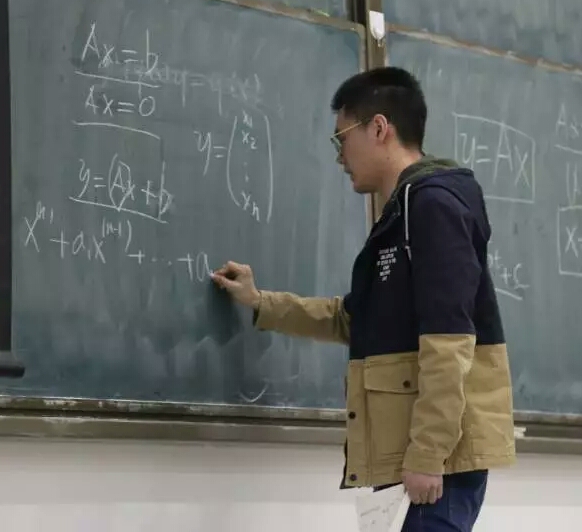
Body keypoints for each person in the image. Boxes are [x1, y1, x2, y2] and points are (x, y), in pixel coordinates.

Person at [212, 67, 515, 531]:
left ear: (378, 128)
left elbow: (449, 341)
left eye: (342, 138)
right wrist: (260, 302)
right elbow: (354, 319)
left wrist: (429, 453)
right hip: (413, 455)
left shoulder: (432, 207)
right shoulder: (401, 214)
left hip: (439, 464)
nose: (339, 156)